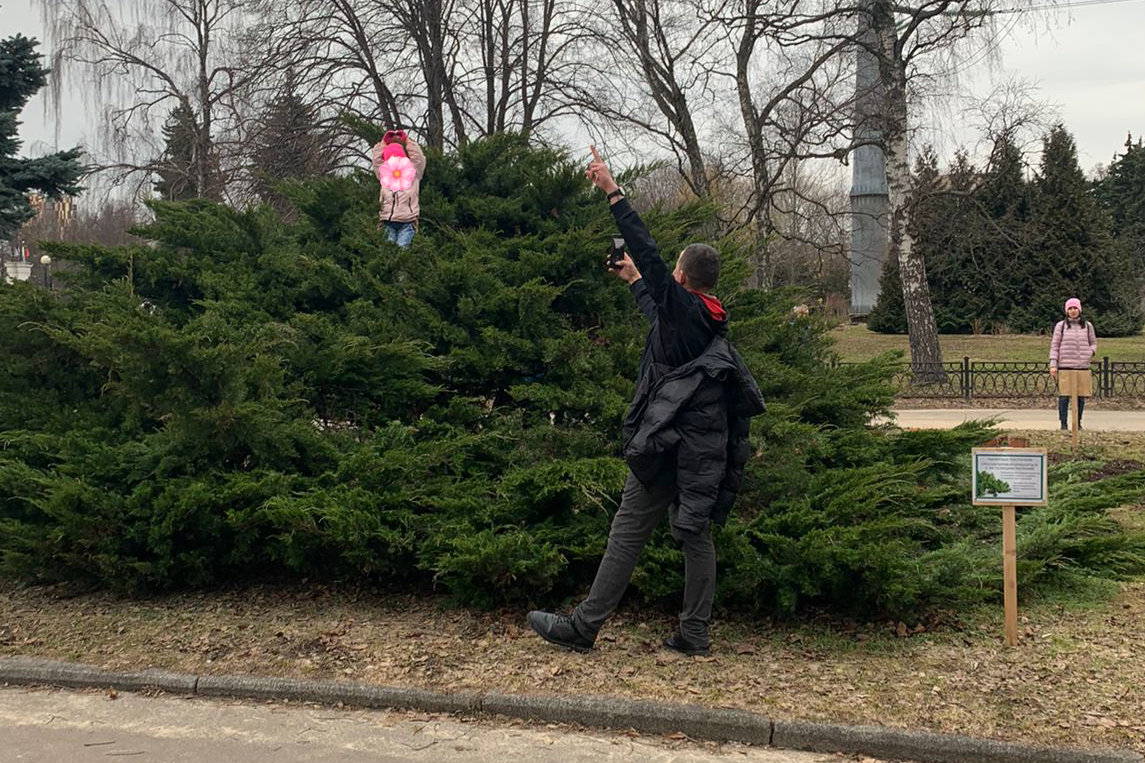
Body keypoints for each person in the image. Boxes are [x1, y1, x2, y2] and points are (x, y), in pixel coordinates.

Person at [526, 146, 765, 657]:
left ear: (680, 277)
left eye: (669, 273)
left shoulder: (685, 307)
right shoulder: (706, 315)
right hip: (697, 448)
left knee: (628, 531)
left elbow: (649, 254)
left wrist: (613, 191)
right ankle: (693, 633)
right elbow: (662, 324)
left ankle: (584, 627)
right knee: (695, 535)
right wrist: (634, 280)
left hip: (668, 445)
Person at [371, 129, 426, 248]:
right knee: (388, 252)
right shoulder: (384, 173)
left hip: (407, 221)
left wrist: (406, 140)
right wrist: (383, 142)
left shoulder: (413, 172)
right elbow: (376, 161)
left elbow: (419, 158)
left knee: (402, 251)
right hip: (387, 221)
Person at [1049, 298, 1096, 430]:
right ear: (1066, 311)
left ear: (1079, 309)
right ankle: (1063, 424)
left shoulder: (1087, 326)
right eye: (1070, 308)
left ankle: (1078, 422)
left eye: (1075, 308)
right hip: (1065, 366)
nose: (1073, 311)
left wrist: (1090, 352)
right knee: (1064, 397)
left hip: (1082, 367)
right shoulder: (1061, 326)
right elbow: (1055, 346)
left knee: (1080, 397)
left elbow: (1093, 343)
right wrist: (1053, 364)